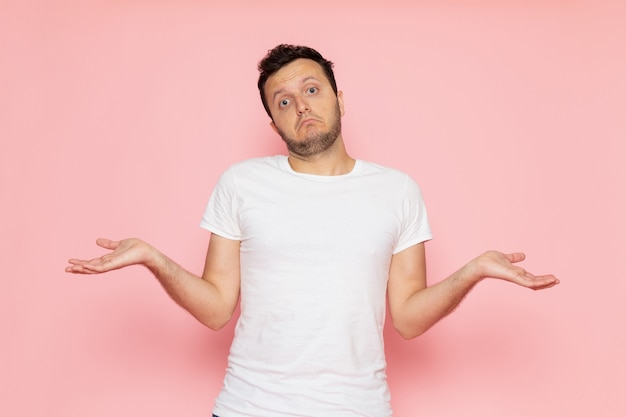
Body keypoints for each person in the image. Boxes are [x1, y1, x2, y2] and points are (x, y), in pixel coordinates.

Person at [66, 44, 559, 417]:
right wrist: (154, 258)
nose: (300, 105)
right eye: (282, 101)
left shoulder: (398, 191)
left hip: (358, 406)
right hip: (248, 406)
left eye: (310, 89)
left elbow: (407, 317)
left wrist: (473, 271)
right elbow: (216, 307)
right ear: (274, 121)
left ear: (339, 97)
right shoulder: (241, 184)